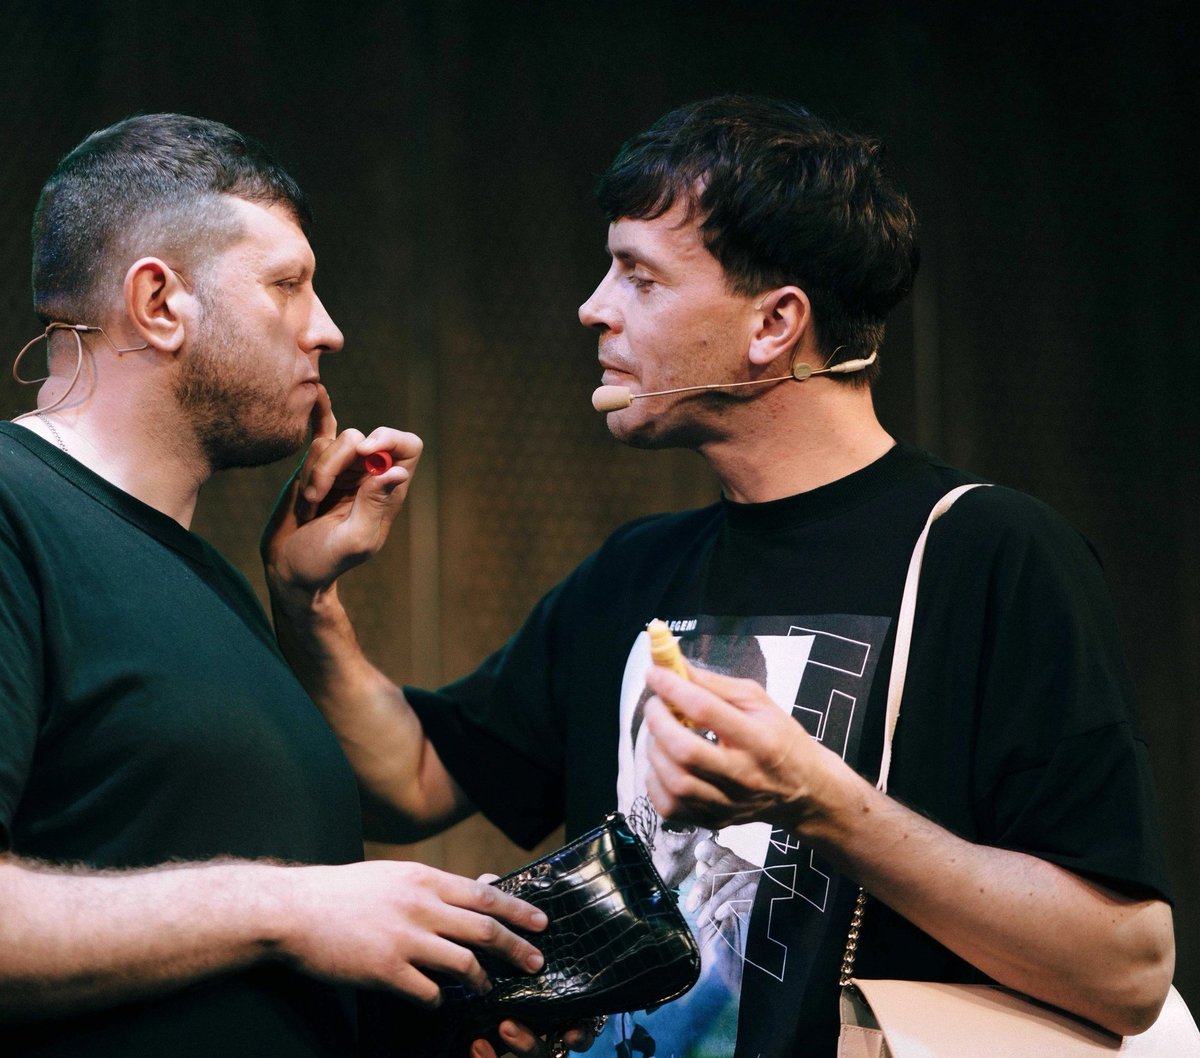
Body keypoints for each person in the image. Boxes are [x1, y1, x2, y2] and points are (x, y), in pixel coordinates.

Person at [263, 96, 1176, 1057]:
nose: (595, 307)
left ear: (774, 324)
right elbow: (409, 780)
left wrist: (818, 800)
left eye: (639, 276)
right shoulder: (635, 569)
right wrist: (305, 599)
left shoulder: (988, 553)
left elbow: (1126, 969)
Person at [0, 114, 550, 1058]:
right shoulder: (13, 510)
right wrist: (290, 906)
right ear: (159, 303)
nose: (327, 328)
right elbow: (286, 917)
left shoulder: (214, 582)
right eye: (287, 285)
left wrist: (441, 991)